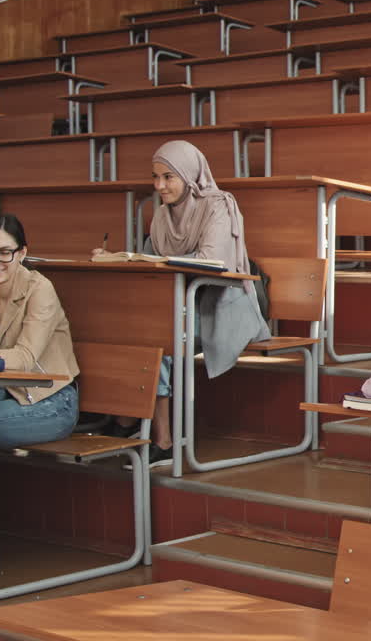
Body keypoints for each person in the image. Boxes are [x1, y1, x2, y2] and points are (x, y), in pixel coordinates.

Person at [105, 140, 269, 465]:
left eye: (168, 177)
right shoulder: (163, 217)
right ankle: (128, 419)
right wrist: (116, 260)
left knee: (159, 334)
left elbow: (212, 261)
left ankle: (162, 438)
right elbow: (150, 260)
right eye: (155, 177)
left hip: (220, 304)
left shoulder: (219, 205)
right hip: (179, 305)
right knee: (132, 325)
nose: (159, 186)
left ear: (189, 175)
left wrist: (158, 261)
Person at [0, 214, 80, 570]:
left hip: (50, 402)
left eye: (3, 253)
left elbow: (26, 359)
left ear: (22, 252)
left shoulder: (39, 289)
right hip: (0, 394)